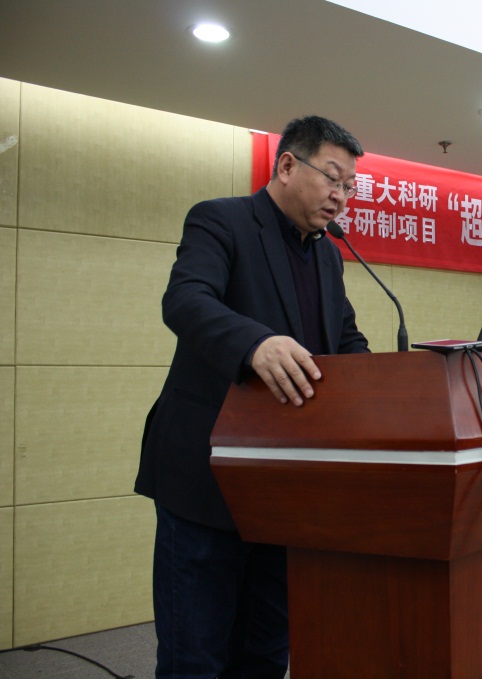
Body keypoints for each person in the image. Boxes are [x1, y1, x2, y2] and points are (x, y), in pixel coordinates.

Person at [135, 115, 371, 678]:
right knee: (195, 657)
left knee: (265, 654)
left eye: (349, 186)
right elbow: (186, 300)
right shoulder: (222, 220)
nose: (340, 196)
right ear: (287, 165)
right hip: (207, 476)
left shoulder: (328, 256)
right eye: (332, 178)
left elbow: (345, 341)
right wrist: (254, 343)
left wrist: (394, 384)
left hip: (285, 487)